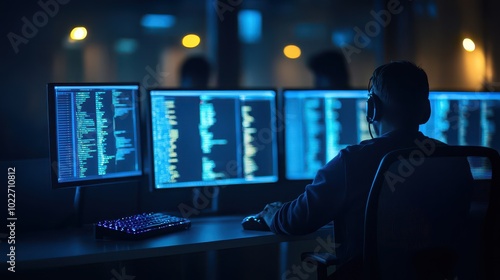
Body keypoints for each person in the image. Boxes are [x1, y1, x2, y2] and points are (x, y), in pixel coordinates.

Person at [264, 60, 471, 278]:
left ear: (373, 108)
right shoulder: (453, 159)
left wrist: (273, 214)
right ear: (426, 110)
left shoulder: (352, 161)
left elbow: (297, 220)